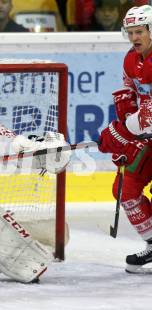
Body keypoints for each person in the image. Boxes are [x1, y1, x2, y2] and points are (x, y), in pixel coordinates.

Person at [98, 5, 152, 274]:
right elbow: (129, 95)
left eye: (139, 32)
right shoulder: (131, 59)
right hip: (149, 137)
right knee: (125, 188)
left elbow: (148, 116)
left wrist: (120, 134)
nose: (134, 38)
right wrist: (126, 131)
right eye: (130, 33)